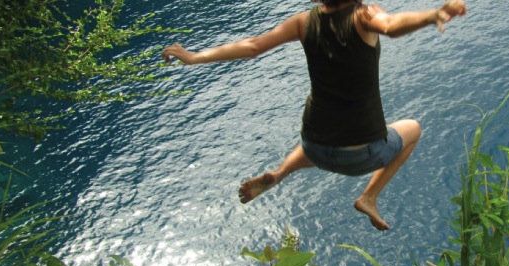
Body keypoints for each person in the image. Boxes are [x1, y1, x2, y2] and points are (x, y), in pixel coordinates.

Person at [162, 0, 467, 230]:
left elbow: (253, 46)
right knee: (412, 128)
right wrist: (432, 14)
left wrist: (193, 57)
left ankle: (279, 174)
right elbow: (392, 25)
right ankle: (369, 197)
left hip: (315, 146)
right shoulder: (364, 15)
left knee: (324, 135)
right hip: (361, 155)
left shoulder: (303, 22)